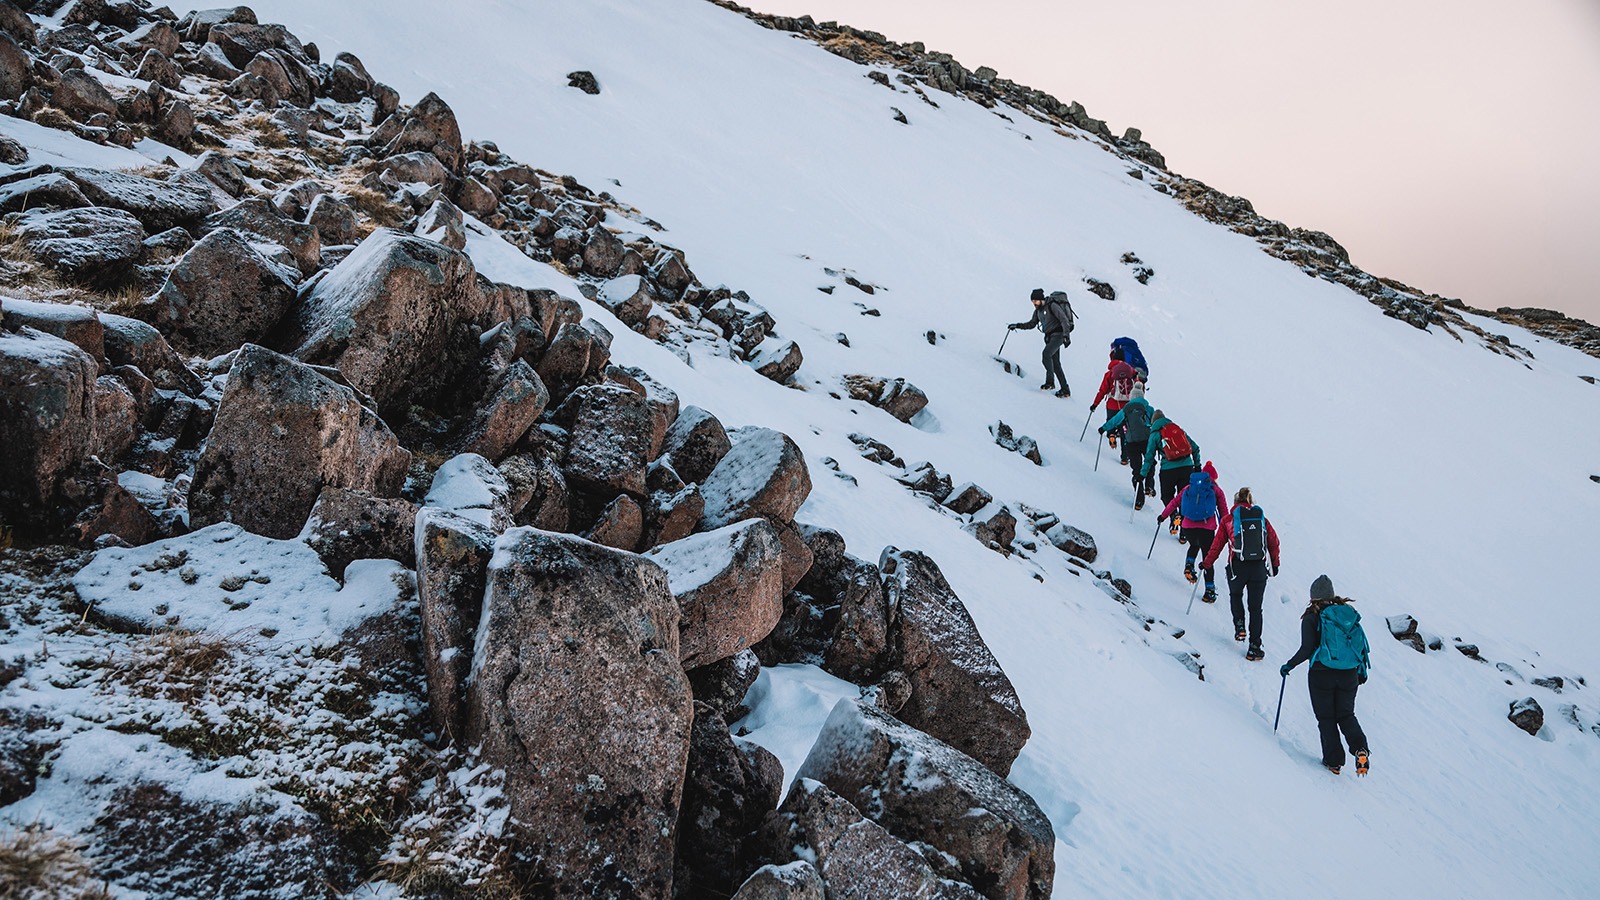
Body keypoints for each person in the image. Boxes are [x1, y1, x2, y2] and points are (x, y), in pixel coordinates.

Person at [1281, 575, 1372, 775]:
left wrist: (1289, 665)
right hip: (1349, 674)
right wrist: (1360, 671)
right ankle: (1360, 749)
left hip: (1322, 674)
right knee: (1346, 715)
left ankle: (1334, 762)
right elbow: (1360, 646)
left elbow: (1306, 649)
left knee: (1326, 718)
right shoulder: (1347, 615)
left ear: (1313, 596)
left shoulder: (1312, 617)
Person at [1201, 486, 1280, 660]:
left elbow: (1217, 545)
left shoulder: (1229, 520)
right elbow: (1274, 542)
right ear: (1250, 501)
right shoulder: (1261, 519)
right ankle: (1254, 647)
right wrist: (1275, 564)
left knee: (1236, 595)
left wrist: (1207, 563)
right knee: (1256, 608)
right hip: (1259, 568)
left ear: (1235, 502)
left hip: (1238, 567)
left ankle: (1239, 627)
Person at [1157, 462, 1227, 602]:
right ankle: (1209, 591)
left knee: (1194, 545)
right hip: (1207, 529)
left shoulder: (1189, 488)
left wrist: (1163, 516)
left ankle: (1189, 565)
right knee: (1208, 559)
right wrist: (1227, 531)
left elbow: (1174, 503)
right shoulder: (1216, 490)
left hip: (1188, 527)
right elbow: (1223, 511)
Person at [1008, 288, 1075, 397]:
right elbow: (1031, 324)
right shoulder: (1038, 311)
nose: (1034, 303)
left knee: (1046, 354)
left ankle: (1050, 382)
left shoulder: (1051, 306)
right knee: (1056, 364)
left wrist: (1066, 336)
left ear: (1041, 299)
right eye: (1032, 301)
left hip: (1058, 335)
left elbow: (1064, 320)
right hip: (1050, 337)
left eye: (1035, 301)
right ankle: (1065, 389)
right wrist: (1017, 325)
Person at [1141, 410, 1201, 530]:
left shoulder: (1155, 434)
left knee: (1167, 496)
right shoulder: (1177, 430)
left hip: (1168, 470)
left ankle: (1173, 515)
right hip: (1187, 468)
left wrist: (1143, 474)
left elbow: (1149, 456)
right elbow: (1195, 448)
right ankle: (1184, 531)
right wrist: (1197, 466)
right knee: (1185, 497)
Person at [1100, 382, 1155, 505]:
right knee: (1150, 463)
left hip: (1131, 442)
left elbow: (1114, 421)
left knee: (1137, 470)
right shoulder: (1149, 409)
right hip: (1146, 441)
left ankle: (1139, 500)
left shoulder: (1126, 409)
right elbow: (1157, 424)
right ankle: (1149, 486)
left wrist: (1103, 428)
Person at [1089, 352, 1137, 448]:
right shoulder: (1131, 371)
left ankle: (1111, 436)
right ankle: (1124, 457)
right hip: (1126, 406)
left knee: (1110, 423)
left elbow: (1102, 391)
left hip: (1112, 404)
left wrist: (1095, 404)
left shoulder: (1109, 373)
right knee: (1124, 430)